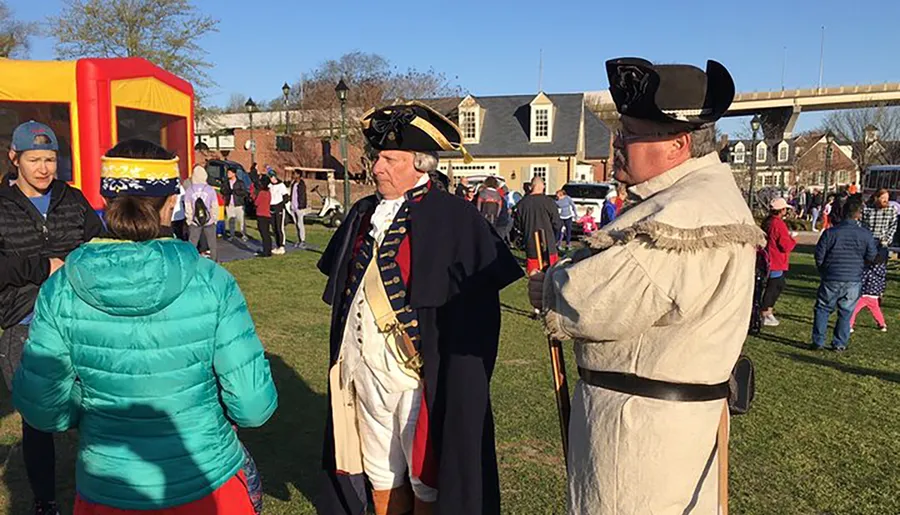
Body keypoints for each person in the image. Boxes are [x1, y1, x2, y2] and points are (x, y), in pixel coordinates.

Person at [529, 57, 764, 514]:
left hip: (640, 437)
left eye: (631, 134)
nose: (617, 144)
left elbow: (594, 302)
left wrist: (551, 285)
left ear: (676, 144)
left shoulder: (680, 212)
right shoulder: (701, 197)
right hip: (664, 424)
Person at [12, 139, 277, 514]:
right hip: (207, 482)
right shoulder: (212, 282)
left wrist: (89, 403)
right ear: (172, 202)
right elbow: (253, 405)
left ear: (104, 201)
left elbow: (42, 408)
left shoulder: (62, 288)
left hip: (107, 487)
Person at [318, 101, 522, 515]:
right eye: (378, 157)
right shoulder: (362, 214)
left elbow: (474, 315)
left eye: (390, 159)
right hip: (362, 373)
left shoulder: (456, 218)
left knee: (425, 475)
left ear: (421, 164)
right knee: (378, 470)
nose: (377, 168)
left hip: (414, 381)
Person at [0, 120, 103, 515]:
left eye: (50, 159)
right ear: (15, 159)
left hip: (80, 321)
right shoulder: (2, 205)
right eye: (34, 159)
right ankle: (45, 501)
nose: (44, 168)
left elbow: (97, 245)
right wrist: (41, 266)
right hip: (25, 327)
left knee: (94, 412)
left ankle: (100, 493)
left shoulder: (72, 199)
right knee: (38, 421)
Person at [811, 196, 877, 351]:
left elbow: (819, 255)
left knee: (823, 309)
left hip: (832, 276)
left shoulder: (830, 233)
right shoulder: (865, 235)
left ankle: (818, 341)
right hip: (853, 278)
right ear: (858, 214)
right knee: (846, 312)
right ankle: (839, 343)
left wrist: (823, 270)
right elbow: (872, 256)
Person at [760, 197, 798, 327]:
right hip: (776, 259)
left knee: (777, 284)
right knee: (774, 287)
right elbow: (785, 245)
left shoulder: (768, 222)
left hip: (769, 258)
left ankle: (767, 311)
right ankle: (765, 312)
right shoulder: (778, 224)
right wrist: (792, 239)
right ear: (781, 210)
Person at [514, 177, 561, 275]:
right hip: (549, 244)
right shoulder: (549, 202)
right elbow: (557, 224)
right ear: (543, 186)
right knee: (551, 277)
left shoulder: (522, 203)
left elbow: (517, 225)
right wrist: (556, 238)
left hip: (531, 244)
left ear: (531, 187)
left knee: (534, 278)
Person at [184, 165, 219, 261]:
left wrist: (189, 220)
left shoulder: (189, 190)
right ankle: (214, 260)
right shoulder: (210, 189)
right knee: (212, 243)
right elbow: (214, 206)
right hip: (209, 220)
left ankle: (191, 260)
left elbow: (188, 207)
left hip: (195, 221)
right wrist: (214, 218)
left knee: (192, 243)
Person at [222, 166, 249, 241]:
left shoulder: (240, 182)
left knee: (241, 220)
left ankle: (243, 234)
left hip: (238, 204)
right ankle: (232, 235)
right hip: (229, 204)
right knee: (231, 220)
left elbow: (244, 192)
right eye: (227, 173)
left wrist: (236, 192)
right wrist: (227, 192)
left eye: (230, 173)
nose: (228, 174)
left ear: (234, 174)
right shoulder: (226, 182)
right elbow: (222, 190)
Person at [267, 170, 289, 255]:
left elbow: (286, 197)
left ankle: (282, 246)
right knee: (274, 227)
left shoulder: (281, 185)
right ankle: (277, 245)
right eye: (270, 177)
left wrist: (280, 205)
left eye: (272, 177)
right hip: (271, 207)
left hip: (279, 208)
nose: (271, 179)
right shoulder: (269, 185)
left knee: (279, 227)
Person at [254, 177, 273, 258]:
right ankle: (268, 250)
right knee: (267, 233)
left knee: (264, 234)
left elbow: (256, 203)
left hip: (261, 214)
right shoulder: (268, 192)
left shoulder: (262, 193)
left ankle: (266, 251)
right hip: (267, 215)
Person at [289, 170, 308, 248]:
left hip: (299, 207)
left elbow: (302, 195)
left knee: (300, 224)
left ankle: (303, 240)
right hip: (293, 206)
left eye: (295, 174)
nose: (293, 175)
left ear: (299, 175)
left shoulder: (301, 184)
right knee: (296, 224)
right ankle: (299, 239)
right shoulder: (293, 184)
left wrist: (301, 205)